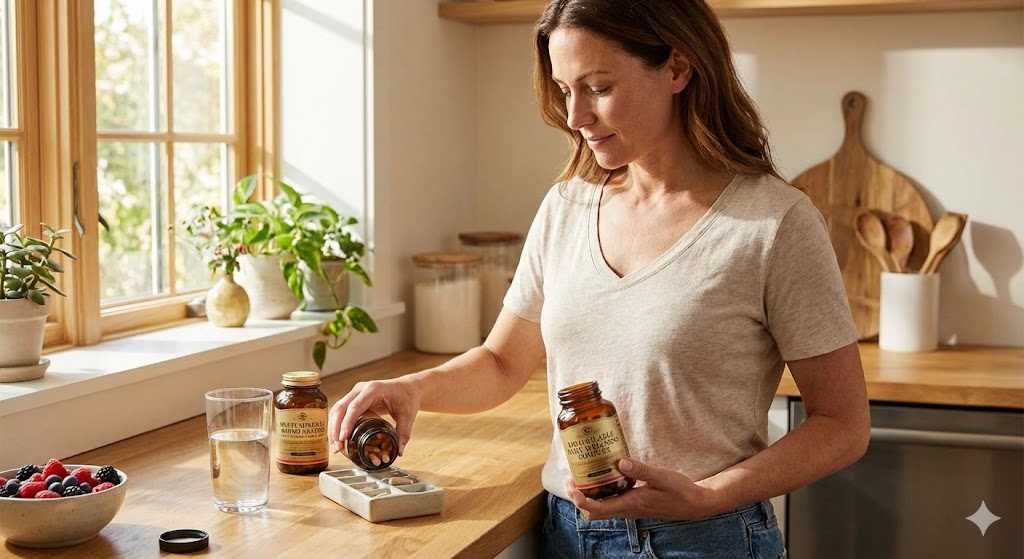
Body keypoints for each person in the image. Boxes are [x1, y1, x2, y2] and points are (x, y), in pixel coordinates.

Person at [329, 0, 870, 556]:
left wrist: (708, 496)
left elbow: (842, 424)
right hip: (569, 536)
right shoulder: (566, 205)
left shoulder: (772, 222)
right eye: (565, 90)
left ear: (678, 69)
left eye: (598, 87)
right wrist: (410, 389)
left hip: (705, 539)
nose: (575, 116)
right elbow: (501, 362)